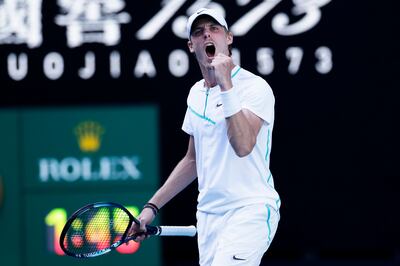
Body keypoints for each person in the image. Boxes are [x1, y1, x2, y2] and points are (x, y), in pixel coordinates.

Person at [130, 7, 281, 266]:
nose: (207, 35)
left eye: (214, 29)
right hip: (209, 217)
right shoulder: (195, 94)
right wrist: (150, 208)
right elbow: (192, 160)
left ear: (228, 38)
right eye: (199, 33)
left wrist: (226, 85)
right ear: (191, 46)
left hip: (250, 210)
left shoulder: (255, 87)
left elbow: (243, 146)